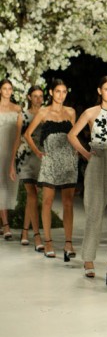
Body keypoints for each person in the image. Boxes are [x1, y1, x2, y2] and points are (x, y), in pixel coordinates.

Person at [67, 75, 107, 286]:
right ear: (99, 91)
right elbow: (72, 135)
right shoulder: (90, 112)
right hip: (98, 157)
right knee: (94, 211)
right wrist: (86, 154)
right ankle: (88, 259)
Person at [24, 78, 78, 259]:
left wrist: (76, 152)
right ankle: (48, 242)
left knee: (68, 203)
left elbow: (73, 135)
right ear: (51, 93)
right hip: (50, 162)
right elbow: (27, 134)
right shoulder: (43, 111)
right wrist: (38, 152)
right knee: (47, 201)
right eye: (58, 91)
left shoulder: (71, 112)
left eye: (64, 92)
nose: (61, 95)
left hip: (68, 162)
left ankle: (68, 243)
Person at [9, 85, 45, 251]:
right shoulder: (22, 116)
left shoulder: (46, 114)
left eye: (40, 96)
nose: (38, 99)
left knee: (34, 197)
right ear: (29, 97)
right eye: (35, 96)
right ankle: (37, 236)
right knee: (32, 194)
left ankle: (25, 232)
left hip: (42, 158)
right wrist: (11, 164)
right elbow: (17, 139)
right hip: (25, 158)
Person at [0, 78, 22, 240]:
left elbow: (19, 135)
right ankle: (6, 225)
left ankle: (3, 223)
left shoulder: (17, 109)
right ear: (0, 90)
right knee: (0, 185)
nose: (7, 91)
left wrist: (14, 157)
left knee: (9, 185)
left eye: (10, 89)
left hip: (11, 151)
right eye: (5, 88)